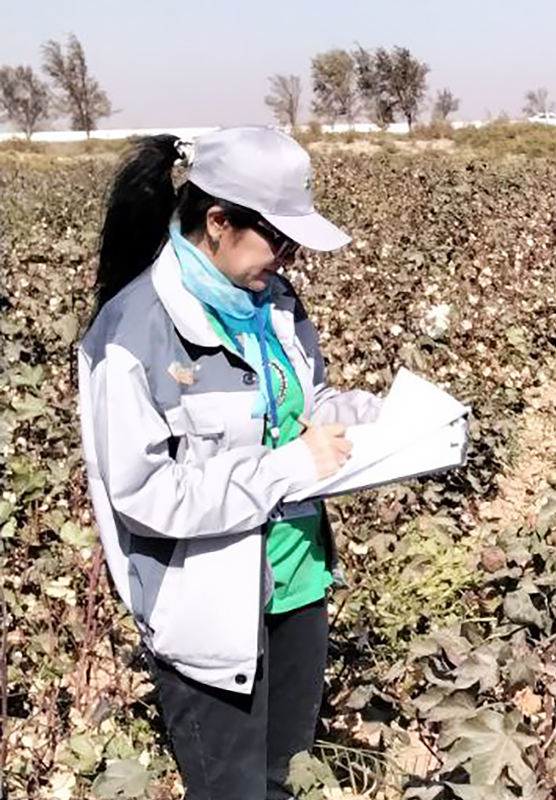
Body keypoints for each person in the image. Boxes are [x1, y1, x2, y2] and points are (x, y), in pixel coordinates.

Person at [78, 127, 381, 799]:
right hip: (208, 609)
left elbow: (307, 402)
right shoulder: (134, 332)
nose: (289, 258)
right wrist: (288, 469)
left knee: (283, 779)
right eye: (281, 240)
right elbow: (144, 493)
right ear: (217, 222)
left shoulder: (274, 304)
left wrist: (390, 419)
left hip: (299, 581)